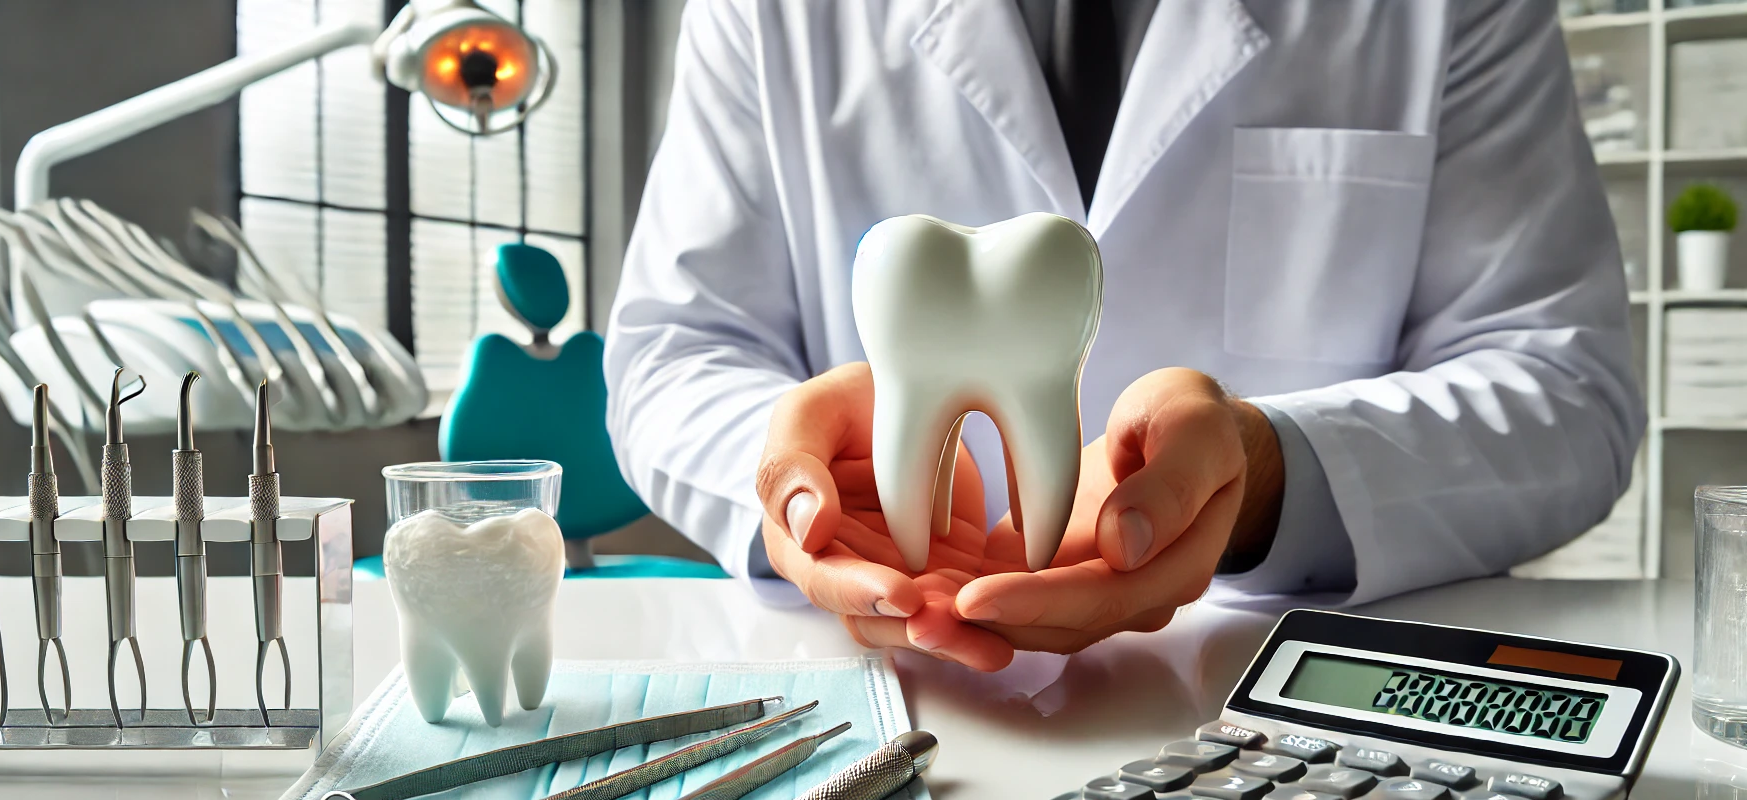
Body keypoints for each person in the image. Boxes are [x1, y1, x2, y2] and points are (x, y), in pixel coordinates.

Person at [603, 0, 1642, 672]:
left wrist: (1271, 470)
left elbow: (1564, 380)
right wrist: (802, 478)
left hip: (1290, 698)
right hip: (891, 684)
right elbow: (674, 350)